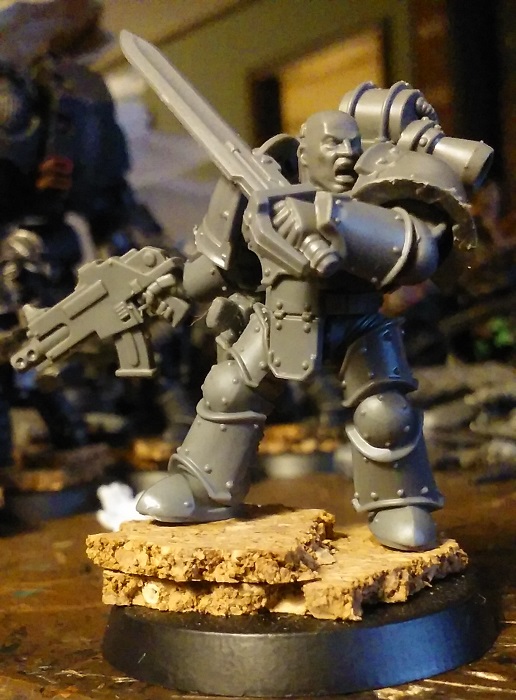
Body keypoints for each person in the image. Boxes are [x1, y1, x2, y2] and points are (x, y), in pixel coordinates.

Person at [135, 84, 492, 552]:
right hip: (280, 312)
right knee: (229, 389)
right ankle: (202, 487)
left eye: (351, 145)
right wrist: (180, 287)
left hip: (360, 319)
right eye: (331, 144)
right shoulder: (262, 183)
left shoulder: (379, 185)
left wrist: (331, 217)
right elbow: (222, 262)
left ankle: (400, 504)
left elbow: (417, 250)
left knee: (385, 412)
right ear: (304, 153)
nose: (345, 154)